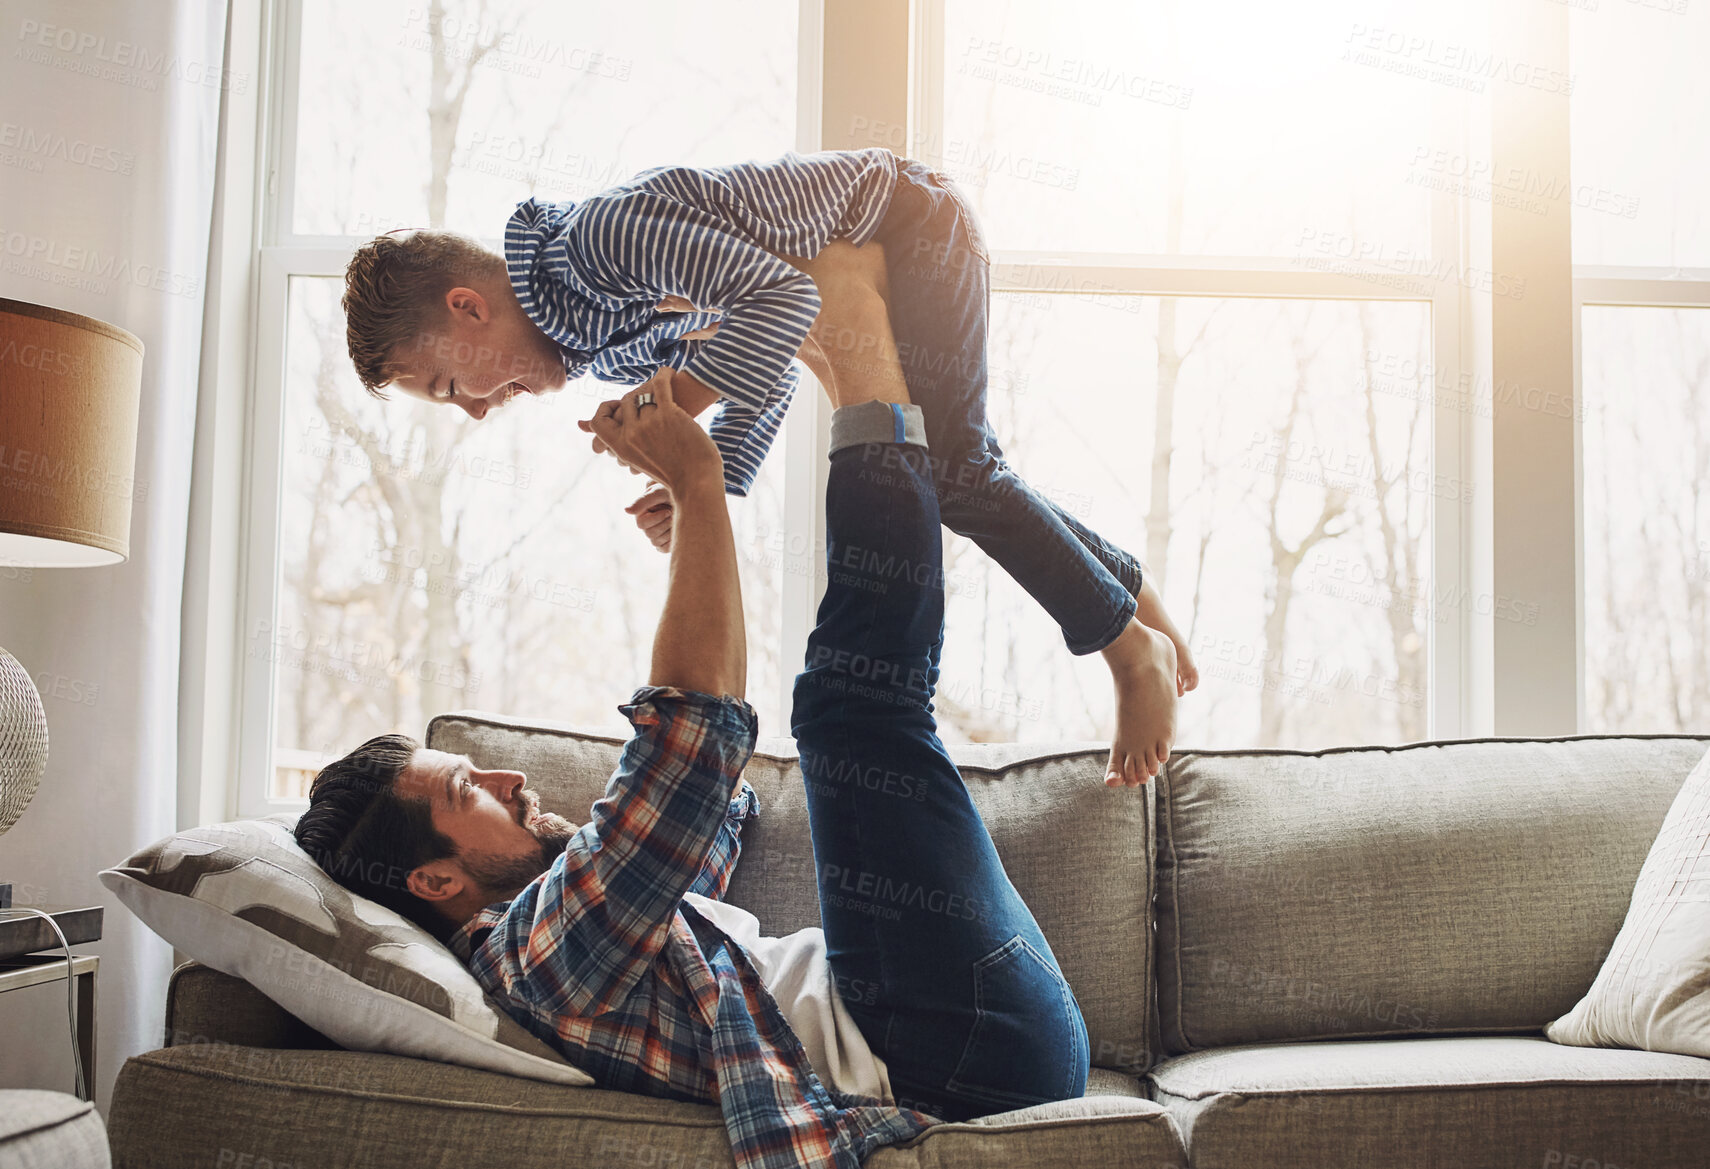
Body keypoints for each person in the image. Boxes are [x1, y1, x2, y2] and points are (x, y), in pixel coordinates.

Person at [294, 371, 1089, 1169]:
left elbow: (711, 788)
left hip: (986, 1022)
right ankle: (873, 380)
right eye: (468, 790)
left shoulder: (600, 931)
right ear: (433, 881)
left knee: (846, 707)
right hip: (958, 1048)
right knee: (852, 708)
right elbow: (692, 741)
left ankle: (877, 390)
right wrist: (697, 475)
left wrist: (697, 535)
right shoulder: (535, 960)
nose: (510, 781)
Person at [339, 146, 1194, 786]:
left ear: (468, 306)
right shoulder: (596, 329)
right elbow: (773, 353)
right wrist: (703, 480)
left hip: (908, 222)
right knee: (967, 469)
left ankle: (1125, 650)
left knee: (957, 473)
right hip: (894, 230)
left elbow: (790, 301)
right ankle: (1127, 594)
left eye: (455, 384)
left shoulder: (597, 249)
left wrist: (680, 408)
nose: (480, 409)